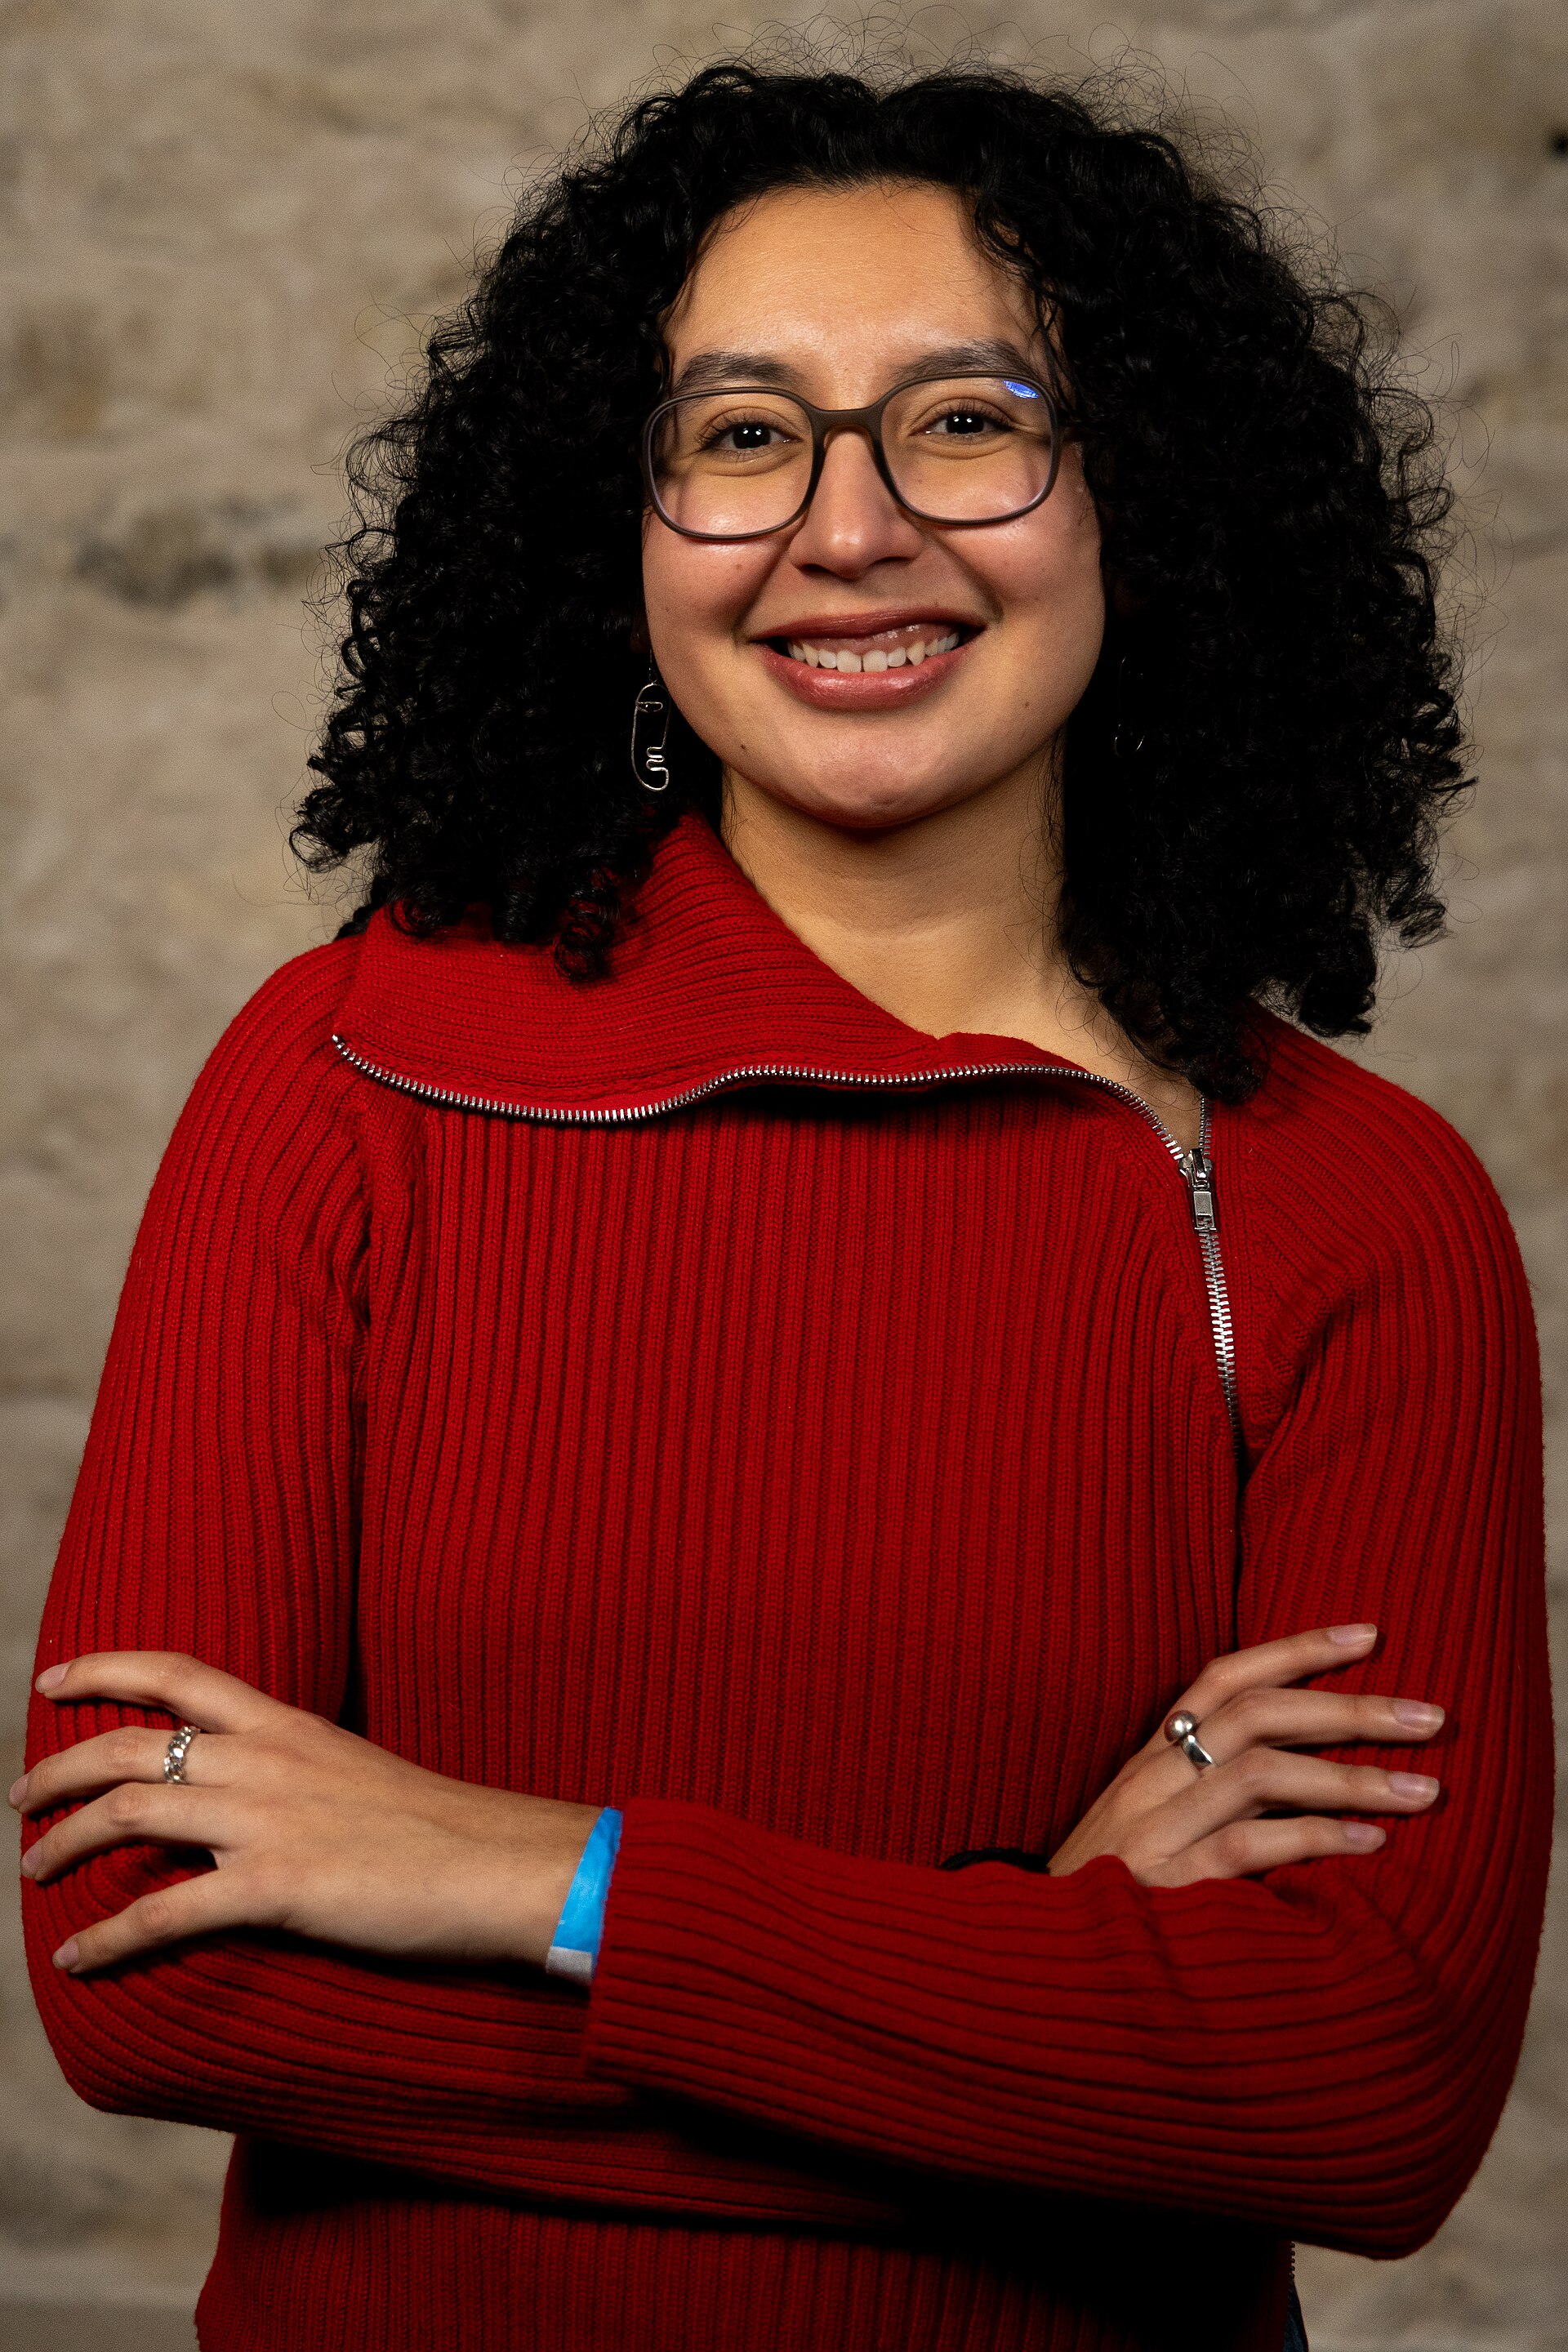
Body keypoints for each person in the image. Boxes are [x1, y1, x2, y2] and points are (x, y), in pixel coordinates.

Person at [13, 56, 1550, 2352]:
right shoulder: (347, 1079)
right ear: (613, 536)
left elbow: (1364, 2095)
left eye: (966, 418)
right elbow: (149, 1962)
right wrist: (1029, 1966)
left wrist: (538, 1873)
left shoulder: (1354, 1215)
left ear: (1151, 498)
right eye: (738, 433)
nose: (847, 527)